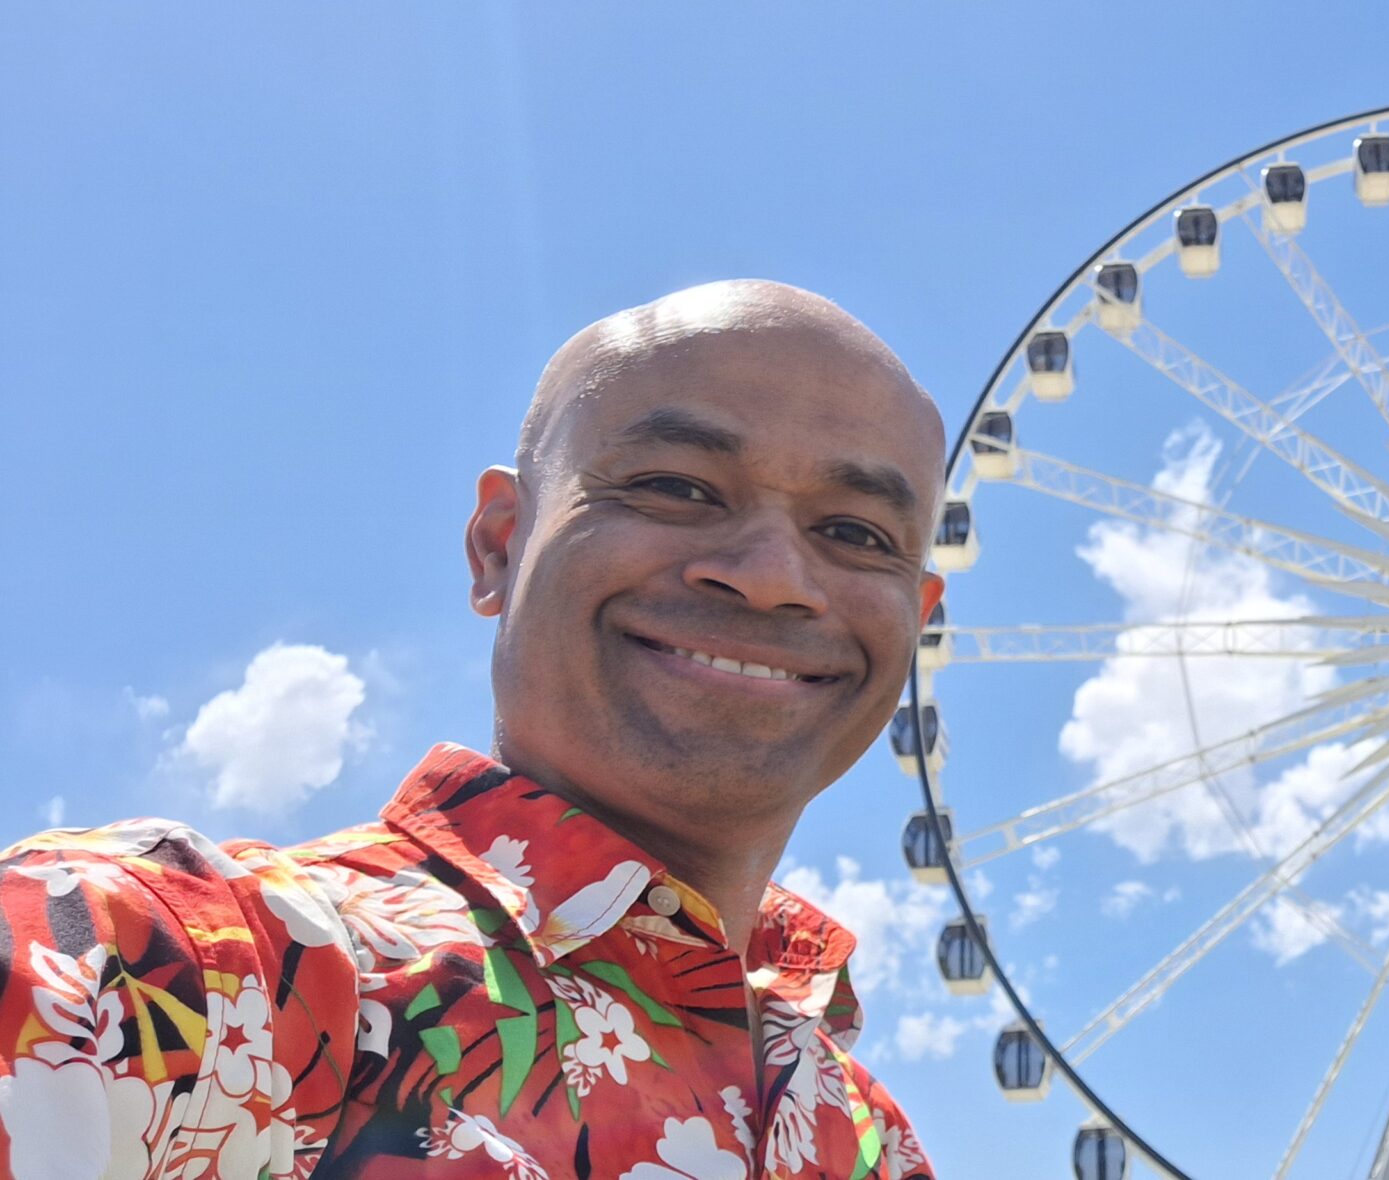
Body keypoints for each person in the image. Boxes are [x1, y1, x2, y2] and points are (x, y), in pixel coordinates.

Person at [0, 280, 948, 1179]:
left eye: (858, 534)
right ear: (499, 544)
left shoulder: (875, 1140)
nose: (773, 574)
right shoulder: (200, 972)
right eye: (679, 486)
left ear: (920, 611)